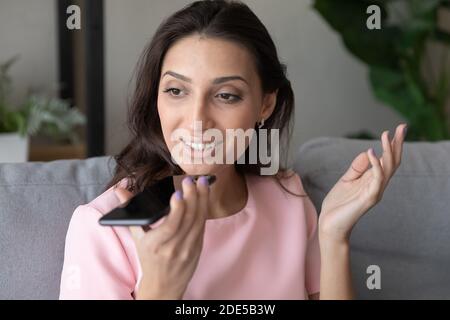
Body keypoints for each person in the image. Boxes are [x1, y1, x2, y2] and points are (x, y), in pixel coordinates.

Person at [59, 0, 406, 300]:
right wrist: (161, 290)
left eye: (226, 95)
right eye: (177, 91)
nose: (197, 120)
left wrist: (333, 235)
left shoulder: (287, 200)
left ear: (265, 105)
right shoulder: (105, 229)